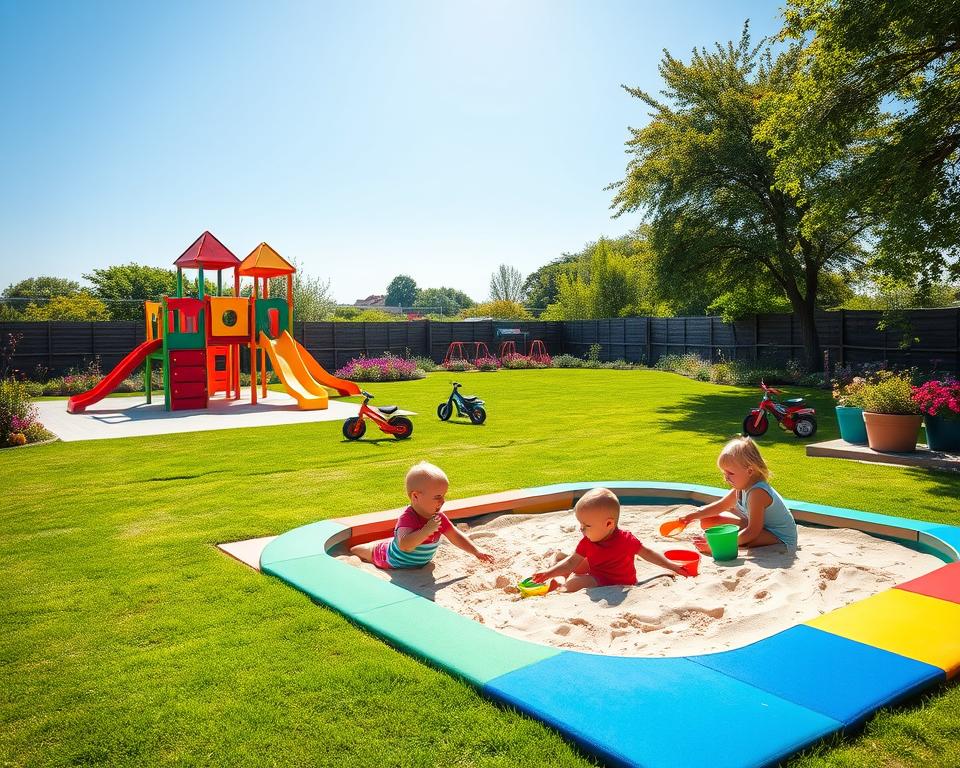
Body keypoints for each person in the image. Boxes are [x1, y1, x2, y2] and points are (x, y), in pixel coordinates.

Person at [530, 487, 688, 592]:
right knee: (573, 565)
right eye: (580, 524)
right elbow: (572, 562)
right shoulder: (587, 541)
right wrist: (548, 573)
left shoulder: (626, 540)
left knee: (573, 584)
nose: (581, 529)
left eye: (586, 525)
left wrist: (671, 566)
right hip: (596, 570)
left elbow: (647, 553)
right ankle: (556, 565)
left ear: (609, 524)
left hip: (609, 581)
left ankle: (560, 585)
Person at [350, 461, 494, 569]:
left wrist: (476, 551)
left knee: (390, 541)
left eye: (444, 496)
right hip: (389, 558)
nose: (443, 501)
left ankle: (385, 541)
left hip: (417, 562)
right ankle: (369, 546)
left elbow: (455, 536)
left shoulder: (438, 518)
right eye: (437, 497)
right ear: (416, 497)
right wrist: (426, 530)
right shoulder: (408, 518)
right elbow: (405, 545)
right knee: (359, 550)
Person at [682, 436, 798, 551]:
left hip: (778, 537)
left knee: (745, 540)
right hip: (760, 527)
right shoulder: (740, 488)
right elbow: (721, 506)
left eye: (730, 473)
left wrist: (721, 544)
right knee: (708, 521)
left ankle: (725, 542)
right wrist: (694, 515)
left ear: (750, 471)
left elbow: (752, 531)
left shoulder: (757, 493)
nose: (726, 478)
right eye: (724, 473)